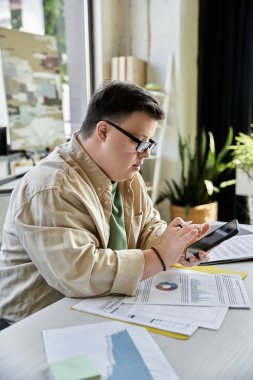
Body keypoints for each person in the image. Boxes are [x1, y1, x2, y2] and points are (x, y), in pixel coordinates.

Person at [0, 80, 210, 327]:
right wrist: (159, 257)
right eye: (140, 142)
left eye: (150, 143)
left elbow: (146, 227)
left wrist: (176, 244)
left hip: (97, 306)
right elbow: (79, 273)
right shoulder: (50, 186)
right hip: (33, 324)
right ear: (103, 131)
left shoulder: (127, 176)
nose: (146, 153)